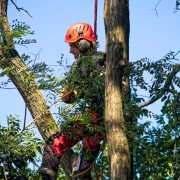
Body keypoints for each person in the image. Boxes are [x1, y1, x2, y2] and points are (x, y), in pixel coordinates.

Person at [38, 22, 106, 180]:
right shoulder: (106, 58)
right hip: (108, 124)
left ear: (82, 44)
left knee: (54, 143)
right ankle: (82, 169)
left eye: (72, 46)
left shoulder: (81, 64)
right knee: (87, 153)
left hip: (94, 119)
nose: (70, 51)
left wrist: (69, 85)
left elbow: (67, 98)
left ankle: (48, 174)